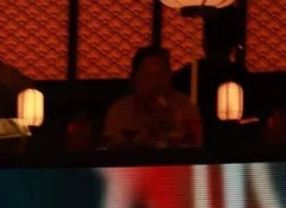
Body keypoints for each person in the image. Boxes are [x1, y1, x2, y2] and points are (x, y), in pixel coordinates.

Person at [174, 7, 251, 139]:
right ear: (233, 45)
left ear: (204, 43)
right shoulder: (240, 74)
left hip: (194, 136)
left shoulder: (187, 73)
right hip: (229, 138)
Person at [104, 46, 201, 148]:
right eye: (147, 76)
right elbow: (111, 147)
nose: (155, 82)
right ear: (135, 79)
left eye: (161, 75)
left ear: (169, 76)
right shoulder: (119, 112)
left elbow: (196, 144)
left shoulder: (185, 107)